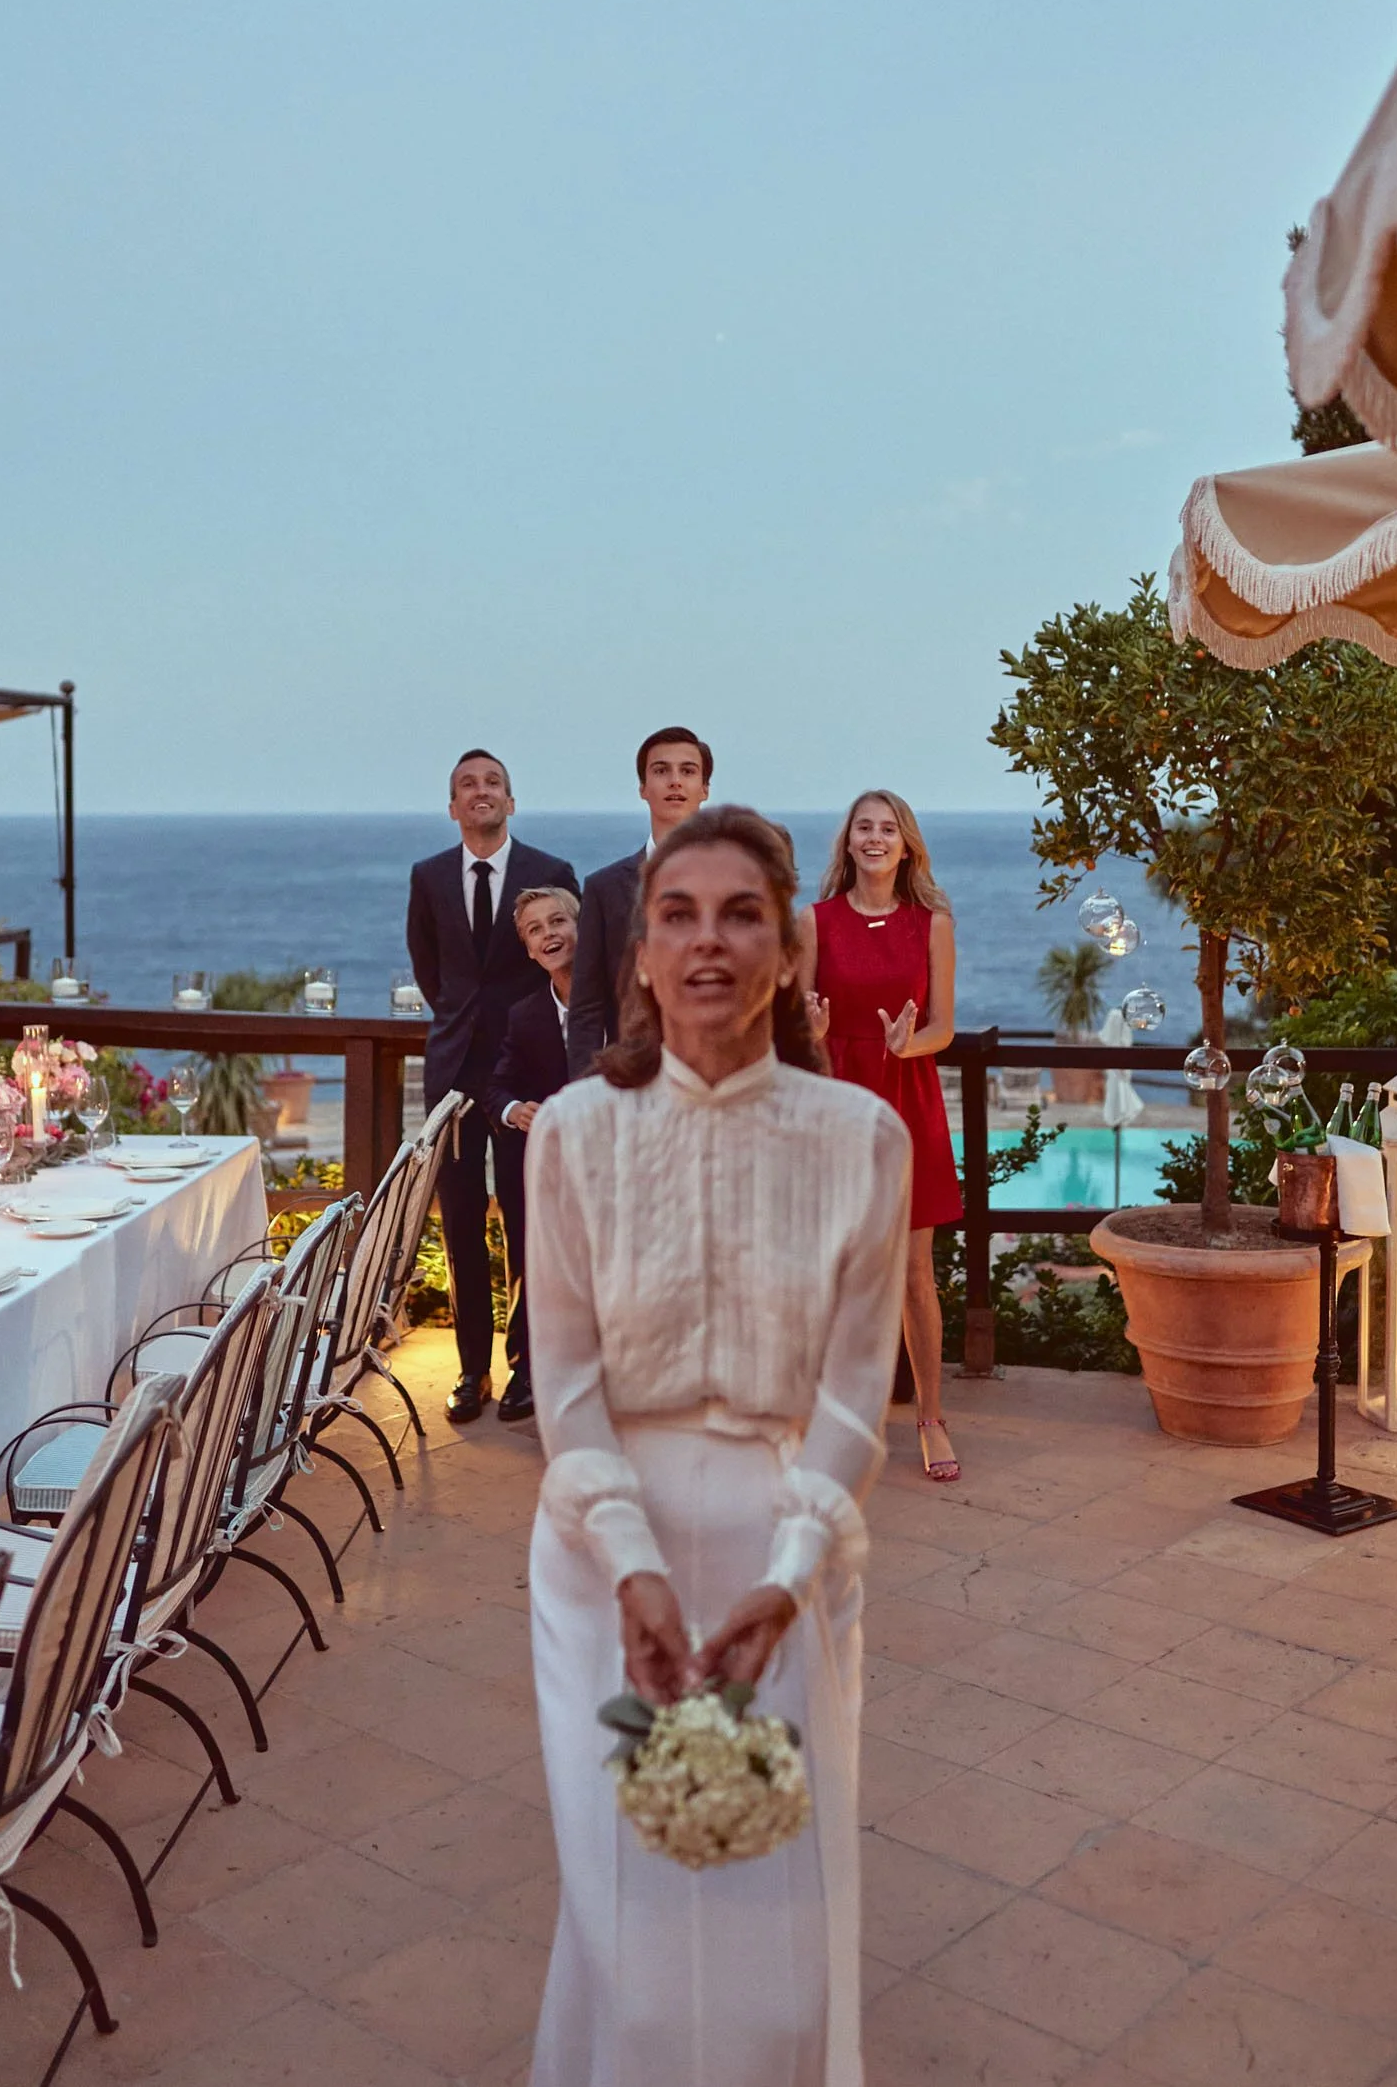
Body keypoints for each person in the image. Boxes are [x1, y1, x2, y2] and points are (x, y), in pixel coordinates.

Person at [525, 806, 910, 2087]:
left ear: (790, 947)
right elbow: (567, 1384)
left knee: (778, 1906)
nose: (709, 943)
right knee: (625, 1908)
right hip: (598, 1549)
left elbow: (858, 1389)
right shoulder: (575, 1133)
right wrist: (633, 1565)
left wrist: (792, 1570)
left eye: (741, 914)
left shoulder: (862, 1138)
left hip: (782, 1542)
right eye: (677, 915)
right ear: (638, 957)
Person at [406, 750, 578, 1426]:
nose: (481, 792)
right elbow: (432, 971)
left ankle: (527, 1368)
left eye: (493, 783)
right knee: (461, 1223)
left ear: (511, 800)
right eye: (467, 785)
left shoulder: (551, 875)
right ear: (452, 807)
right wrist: (460, 1024)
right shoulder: (427, 878)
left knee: (528, 1216)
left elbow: (568, 965)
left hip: (526, 1075)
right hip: (452, 1072)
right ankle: (471, 1367)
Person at [799, 791, 962, 1484]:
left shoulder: (933, 924)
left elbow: (944, 1026)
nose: (873, 838)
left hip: (905, 1096)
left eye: (886, 828)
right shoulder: (813, 921)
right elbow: (796, 1026)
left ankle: (929, 1417)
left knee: (913, 1276)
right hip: (834, 1099)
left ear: (906, 846)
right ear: (847, 843)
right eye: (862, 828)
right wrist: (807, 1034)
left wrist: (906, 1044)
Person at [482, 886, 580, 1419]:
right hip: (547, 1168)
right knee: (527, 1255)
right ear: (527, 949)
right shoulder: (524, 1015)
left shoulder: (623, 1000)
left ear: (581, 928)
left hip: (613, 1164)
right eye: (536, 930)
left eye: (559, 921)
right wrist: (515, 1108)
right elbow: (497, 1088)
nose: (550, 935)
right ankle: (527, 1371)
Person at [565, 725, 712, 1079]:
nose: (675, 781)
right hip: (634, 1080)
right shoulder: (603, 888)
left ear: (704, 789)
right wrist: (587, 1096)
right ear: (643, 788)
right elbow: (586, 1008)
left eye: (687, 771)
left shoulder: (739, 881)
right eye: (661, 771)